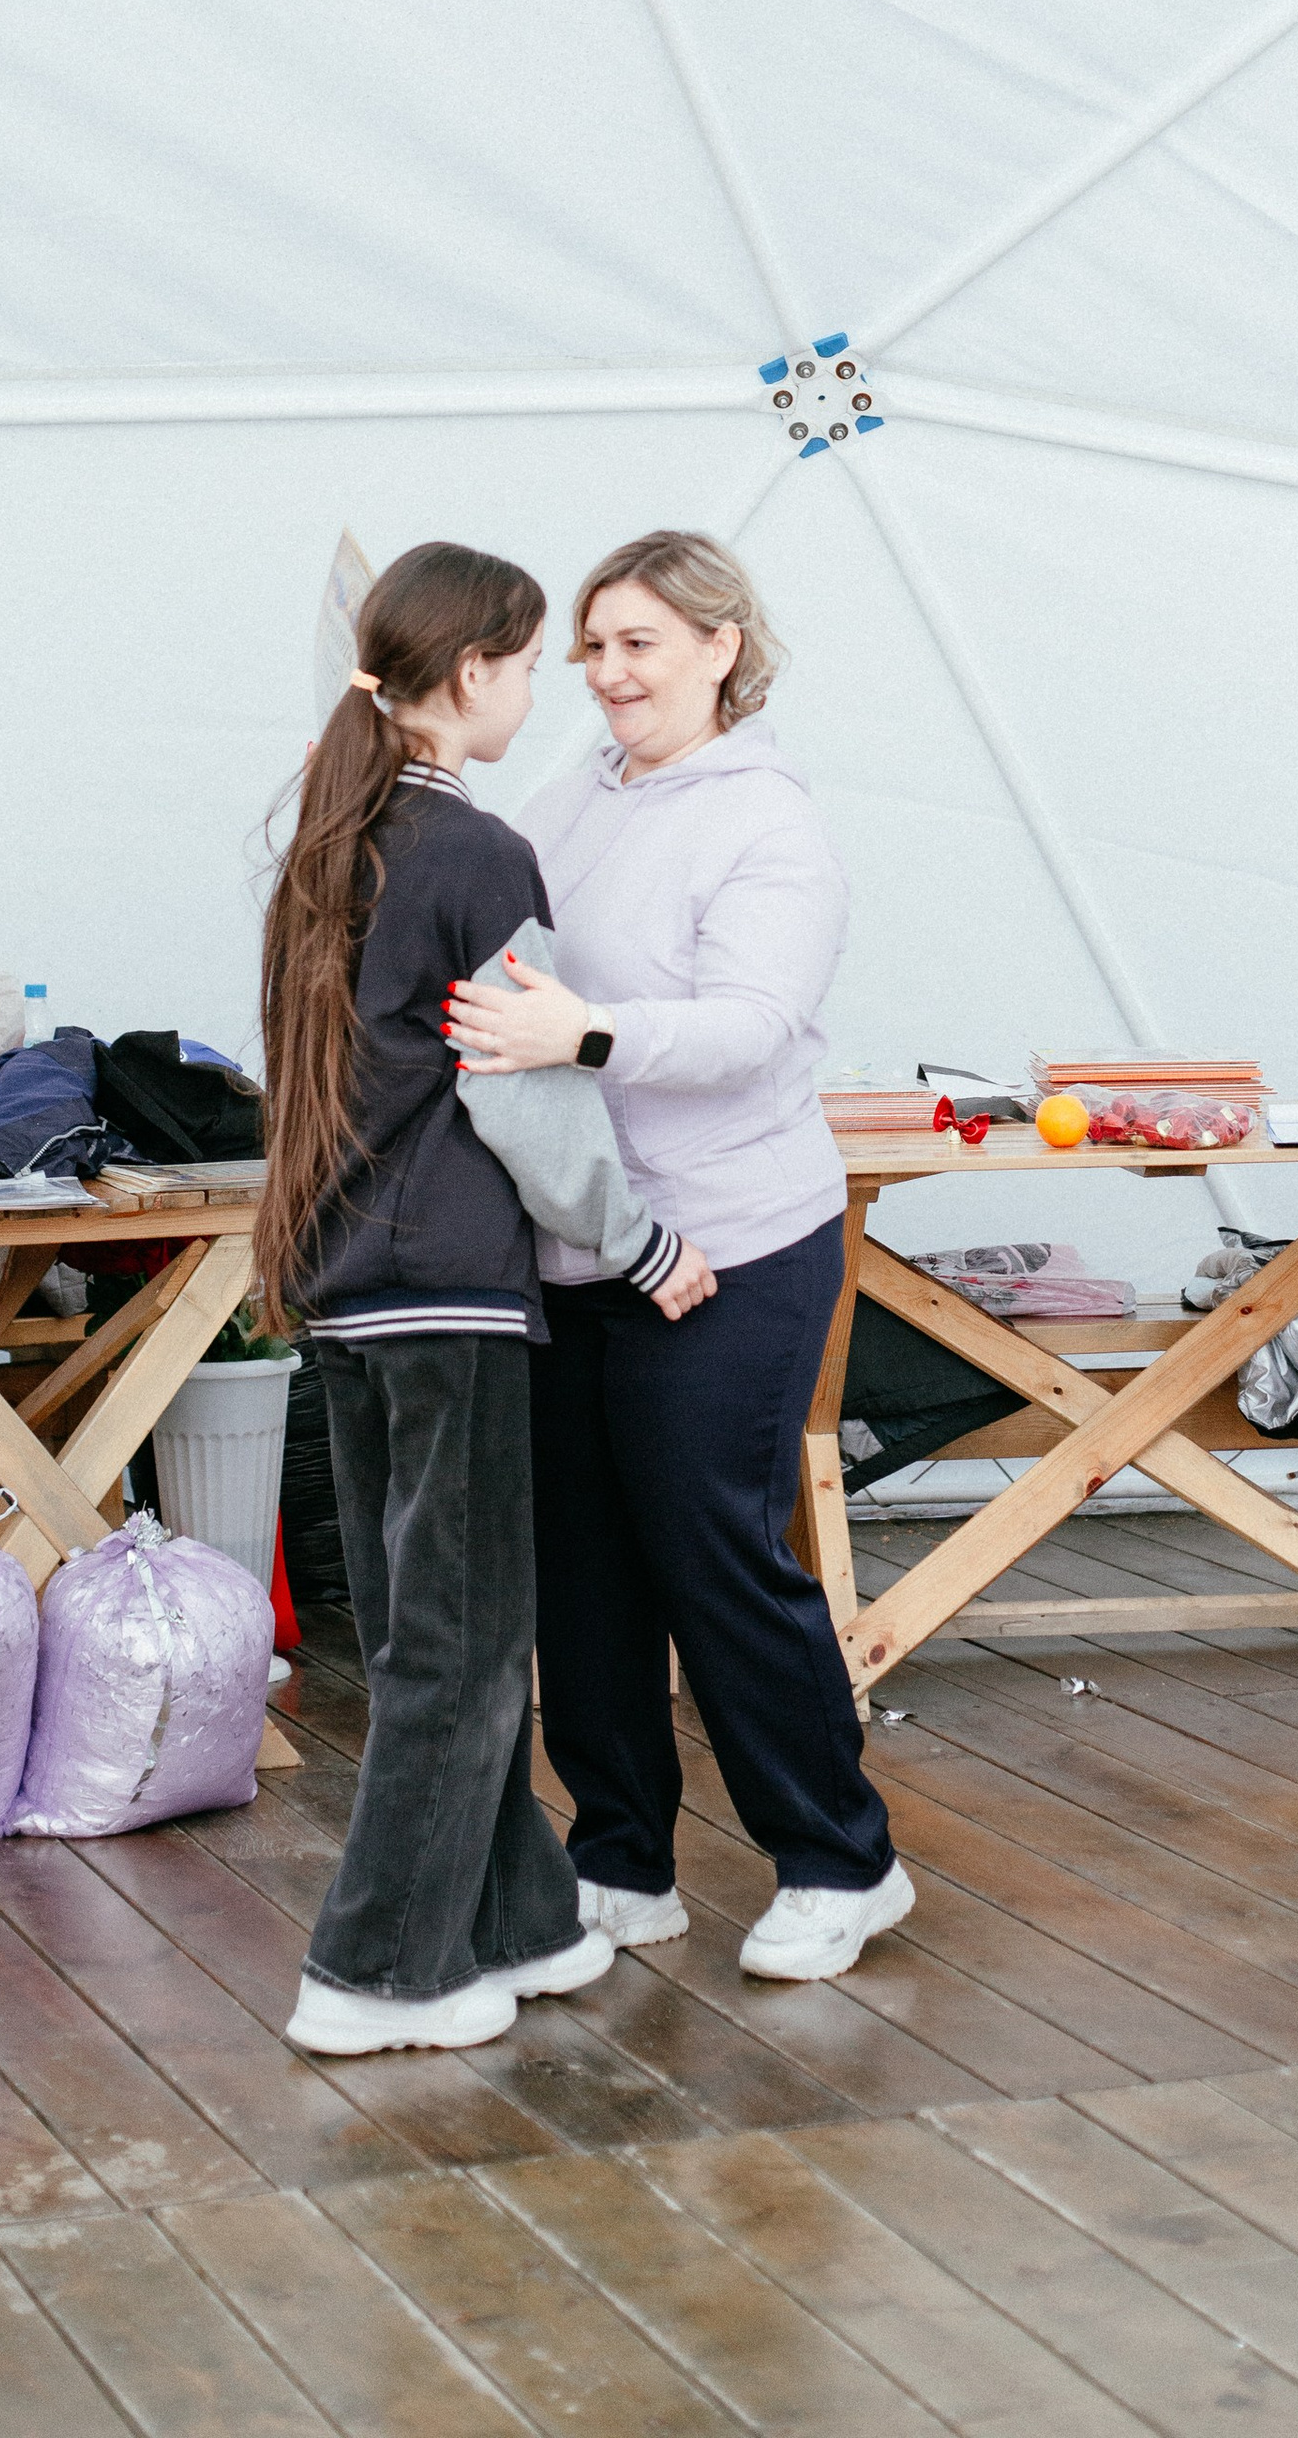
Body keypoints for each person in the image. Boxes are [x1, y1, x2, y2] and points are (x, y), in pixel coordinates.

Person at [256, 538, 715, 2059]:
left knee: (417, 1635)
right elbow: (525, 1098)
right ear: (471, 675)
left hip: (344, 1286)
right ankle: (376, 1976)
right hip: (449, 1298)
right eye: (531, 664)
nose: (548, 689)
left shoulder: (334, 839)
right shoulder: (479, 854)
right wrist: (644, 1250)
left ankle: (519, 1919)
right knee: (460, 1647)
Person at [448, 528, 913, 1984]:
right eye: (590, 647)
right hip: (587, 1238)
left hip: (740, 1240)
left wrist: (584, 1034)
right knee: (580, 1563)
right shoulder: (573, 793)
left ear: (722, 646)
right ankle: (618, 1861)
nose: (608, 674)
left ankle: (844, 1860)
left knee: (711, 1553)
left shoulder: (769, 823)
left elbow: (752, 1027)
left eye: (640, 642)